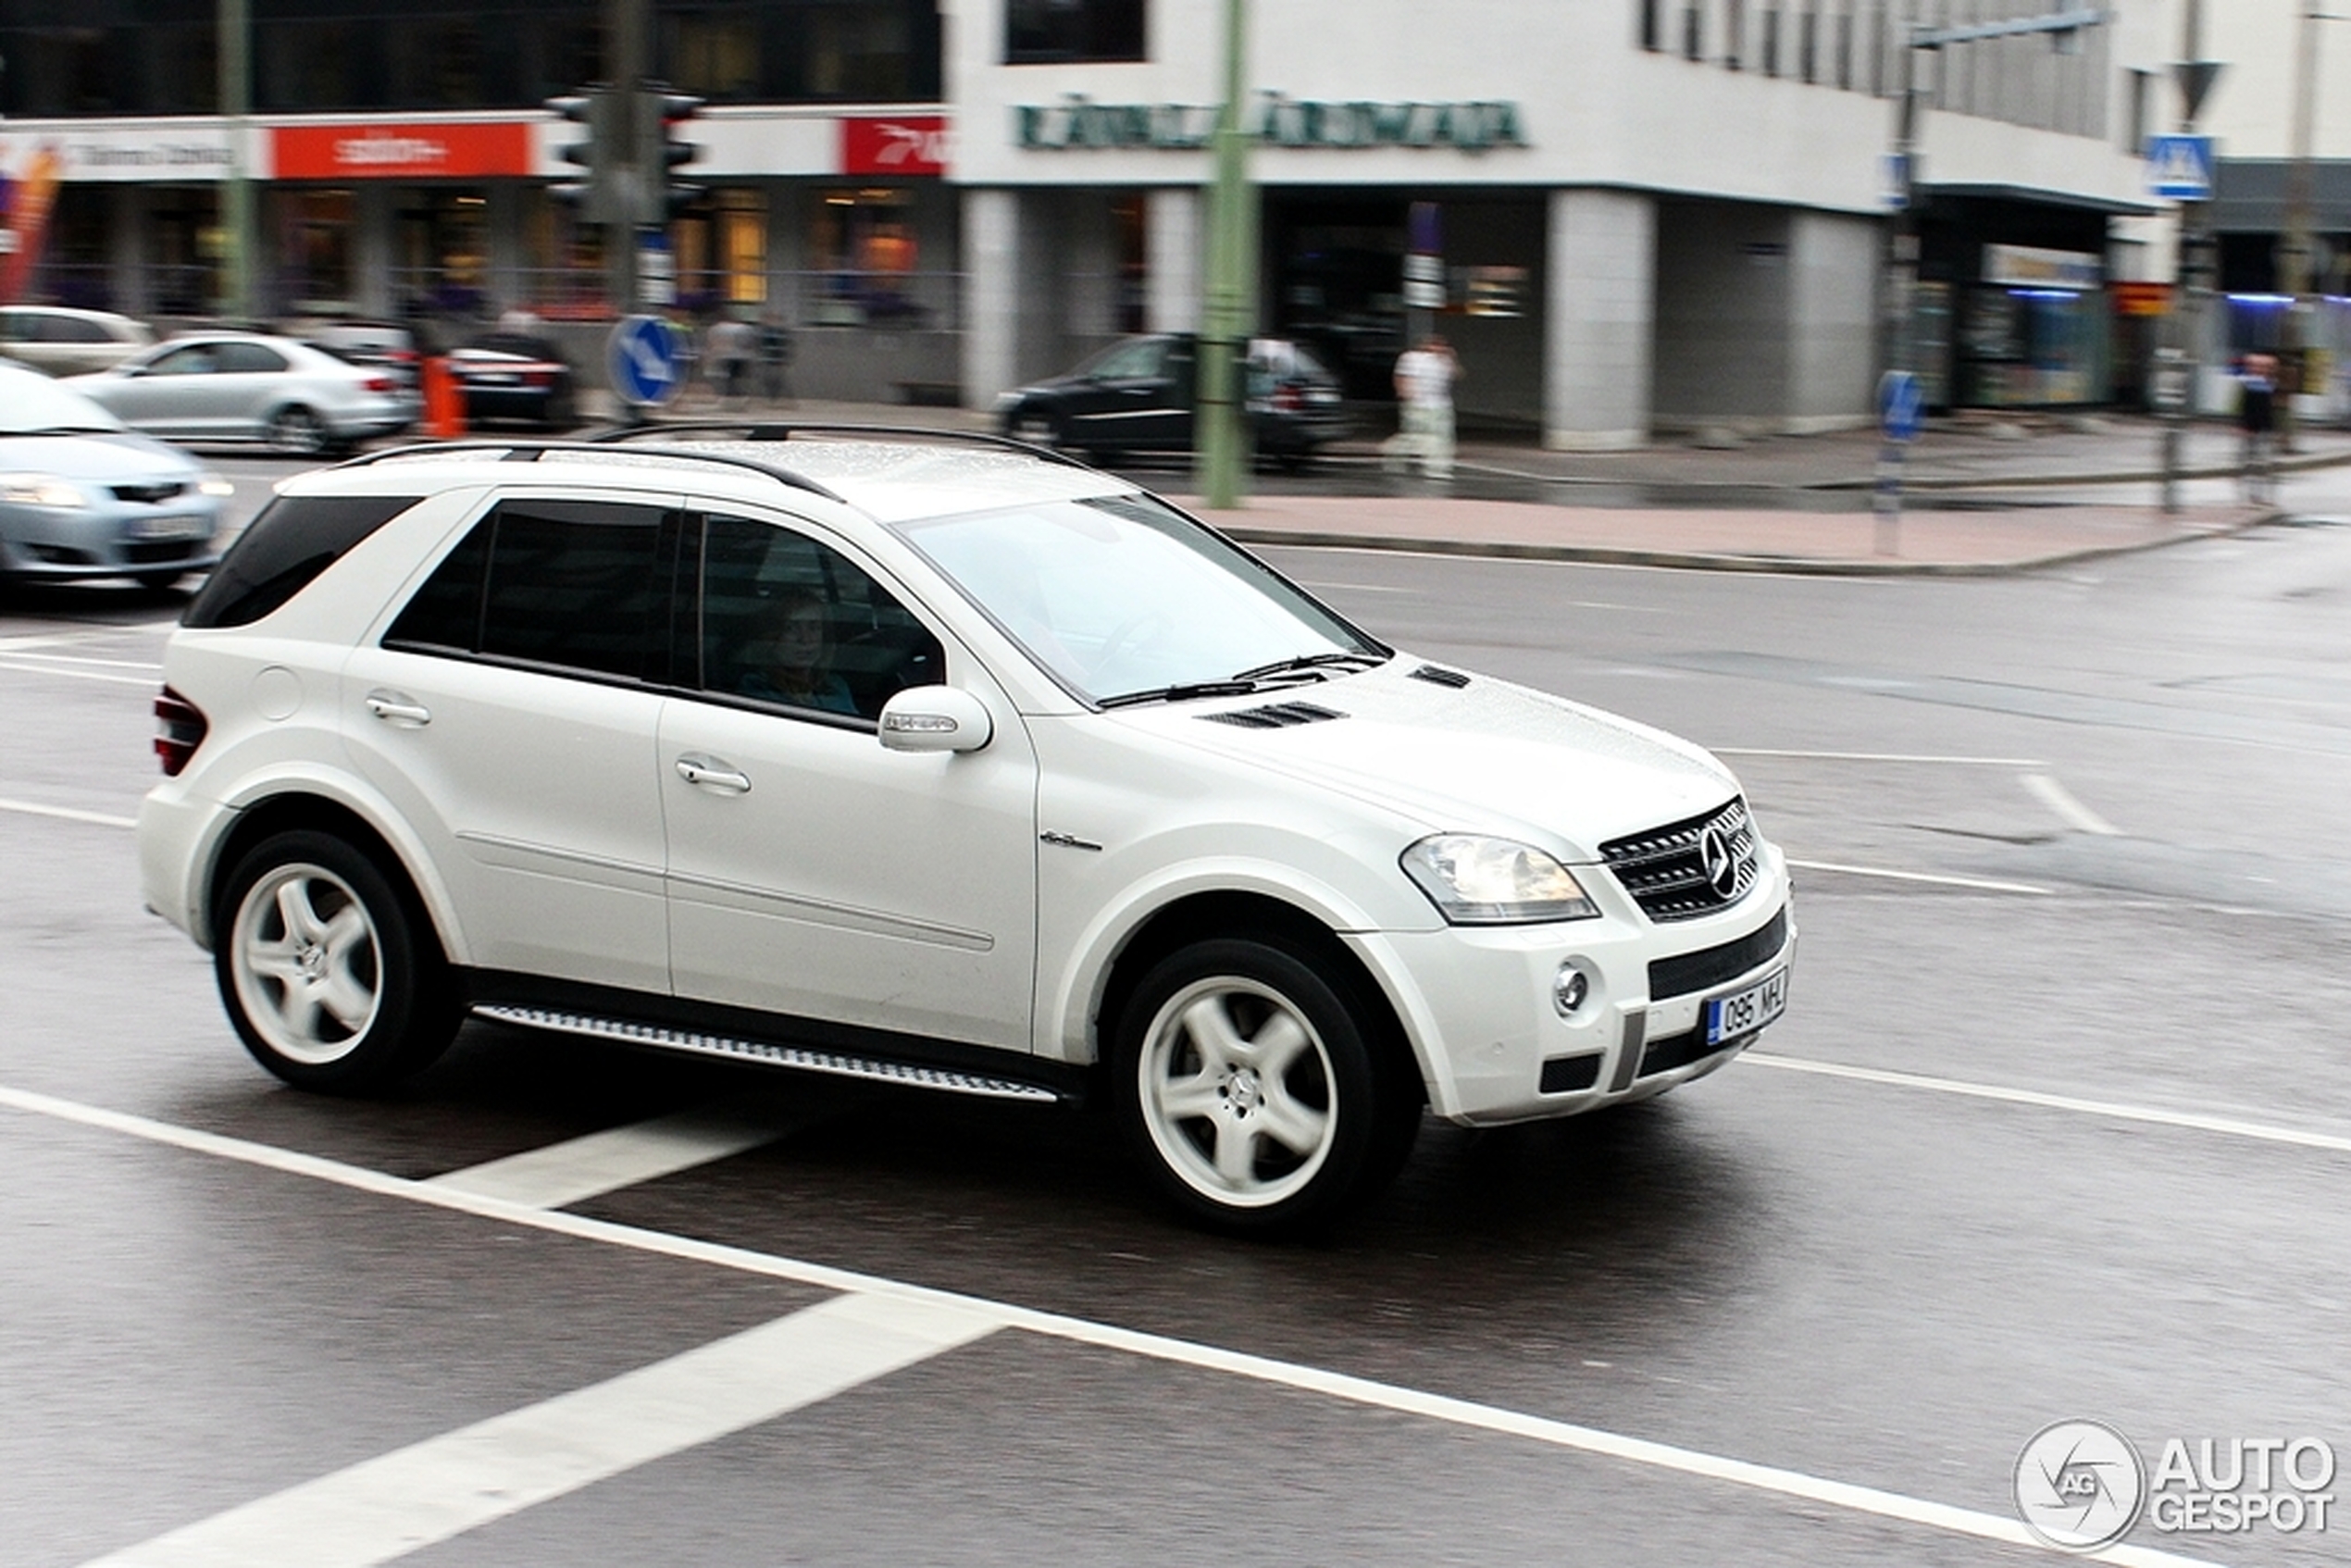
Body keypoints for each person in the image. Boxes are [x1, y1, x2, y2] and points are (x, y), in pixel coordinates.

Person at [738, 590, 859, 716]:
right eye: (791, 628)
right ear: (771, 638)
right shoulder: (757, 691)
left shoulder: (836, 686)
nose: (805, 639)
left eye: (813, 627)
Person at [1384, 333, 1462, 479]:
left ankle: (1437, 468)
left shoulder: (1444, 361)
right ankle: (1393, 451)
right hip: (1418, 403)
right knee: (1415, 436)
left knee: (1442, 438)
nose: (1438, 348)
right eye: (1435, 344)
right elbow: (1401, 376)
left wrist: (1451, 359)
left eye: (1441, 345)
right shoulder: (1412, 358)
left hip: (1440, 404)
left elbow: (1457, 375)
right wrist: (1405, 394)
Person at [2236, 351, 2279, 504]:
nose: (2261, 370)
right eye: (2258, 366)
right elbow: (2245, 407)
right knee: (2250, 461)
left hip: (2264, 427)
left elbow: (2268, 409)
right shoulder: (2251, 384)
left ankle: (2260, 494)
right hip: (2252, 427)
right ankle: (2249, 494)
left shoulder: (2269, 383)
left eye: (2266, 367)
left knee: (2263, 462)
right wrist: (2244, 425)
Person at [705, 313, 757, 407]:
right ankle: (740, 397)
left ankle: (728, 397)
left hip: (725, 355)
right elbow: (751, 343)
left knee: (727, 378)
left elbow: (714, 342)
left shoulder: (718, 328)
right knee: (739, 378)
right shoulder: (745, 328)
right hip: (743, 356)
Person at [756, 312, 794, 404]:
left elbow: (786, 345)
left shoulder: (780, 332)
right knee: (769, 378)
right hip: (769, 358)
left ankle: (778, 397)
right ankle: (774, 397)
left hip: (776, 358)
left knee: (776, 379)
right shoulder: (766, 331)